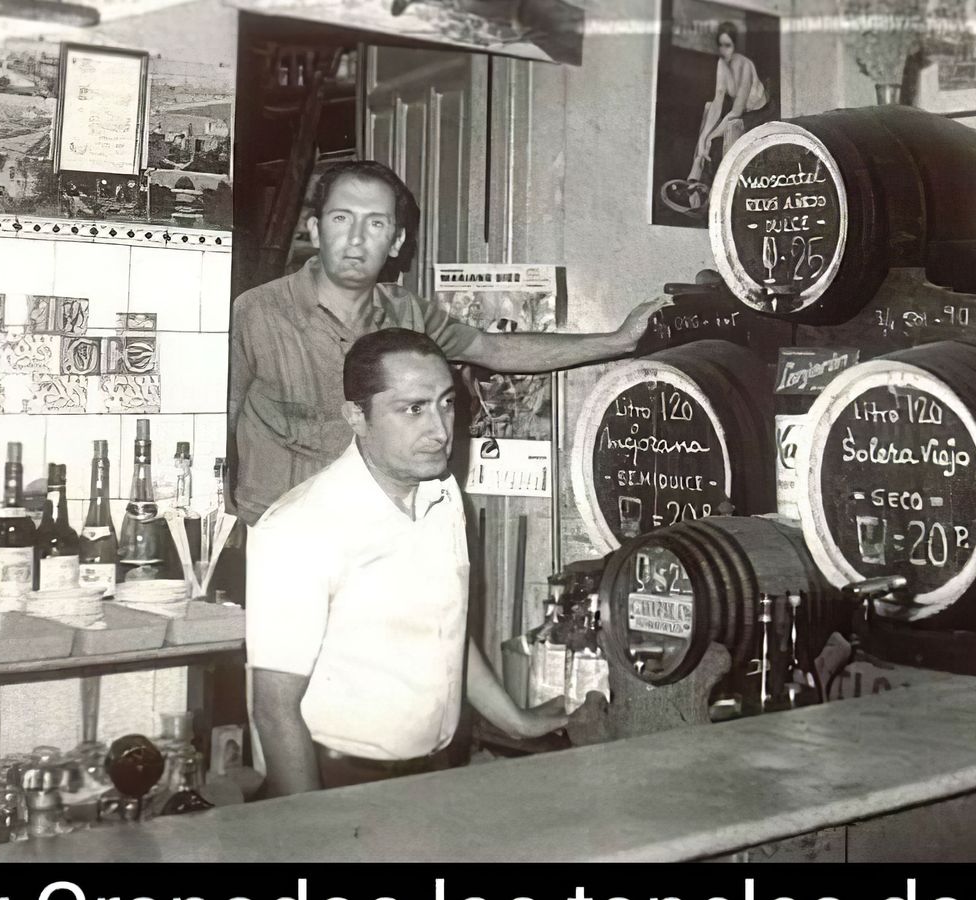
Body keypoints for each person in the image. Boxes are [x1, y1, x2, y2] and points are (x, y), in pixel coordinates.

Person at [228, 159, 668, 526]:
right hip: (279, 535)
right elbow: (216, 423)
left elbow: (494, 350)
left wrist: (619, 341)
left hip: (381, 533)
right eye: (341, 218)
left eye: (375, 223)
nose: (356, 238)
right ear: (317, 230)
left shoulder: (409, 315)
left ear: (397, 241)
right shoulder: (255, 313)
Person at [247, 329, 566, 796]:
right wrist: (310, 832)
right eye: (413, 408)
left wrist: (514, 720)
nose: (440, 431)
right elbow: (274, 711)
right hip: (341, 785)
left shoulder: (443, 494)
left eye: (446, 403)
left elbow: (445, 627)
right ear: (357, 416)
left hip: (439, 773)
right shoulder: (300, 528)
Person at [678, 21, 771, 211]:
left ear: (735, 46)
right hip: (740, 110)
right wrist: (704, 137)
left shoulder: (745, 65)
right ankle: (694, 176)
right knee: (708, 108)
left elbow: (736, 111)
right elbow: (719, 98)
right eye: (720, 45)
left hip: (759, 113)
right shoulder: (722, 63)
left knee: (725, 133)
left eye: (727, 45)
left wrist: (712, 136)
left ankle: (715, 195)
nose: (723, 50)